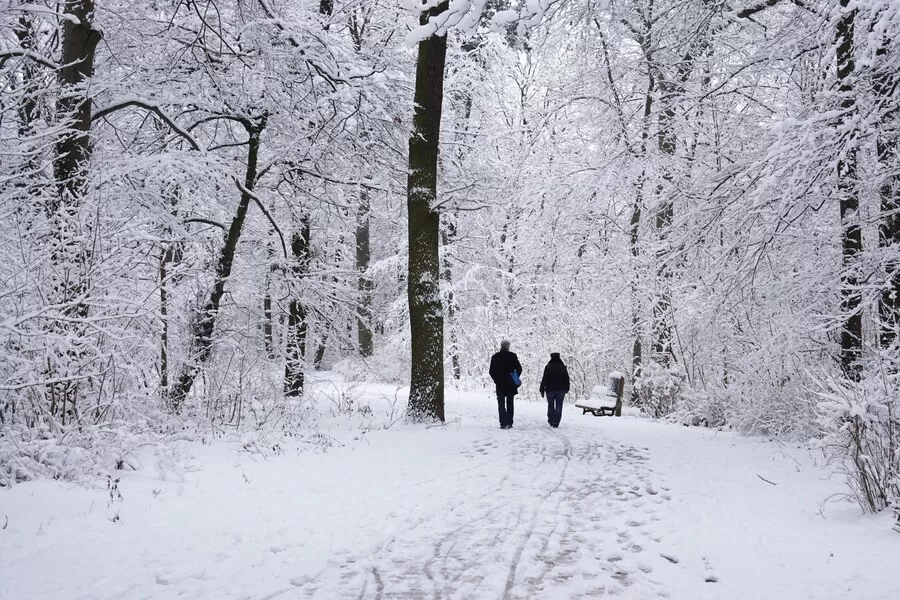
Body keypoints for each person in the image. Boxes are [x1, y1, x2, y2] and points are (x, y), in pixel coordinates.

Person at [489, 340, 522, 429]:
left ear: (501, 346)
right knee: (510, 403)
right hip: (511, 383)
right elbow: (519, 368)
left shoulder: (495, 357)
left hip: (500, 383)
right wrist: (515, 377)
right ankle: (510, 422)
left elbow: (491, 371)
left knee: (501, 404)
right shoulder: (513, 356)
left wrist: (496, 380)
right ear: (508, 346)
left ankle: (503, 423)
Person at [539, 352, 570, 428]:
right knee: (559, 406)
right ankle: (556, 422)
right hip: (561, 389)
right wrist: (567, 388)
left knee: (551, 405)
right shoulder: (563, 367)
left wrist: (542, 389)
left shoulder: (548, 367)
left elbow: (544, 378)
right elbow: (567, 378)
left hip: (550, 389)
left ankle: (551, 419)